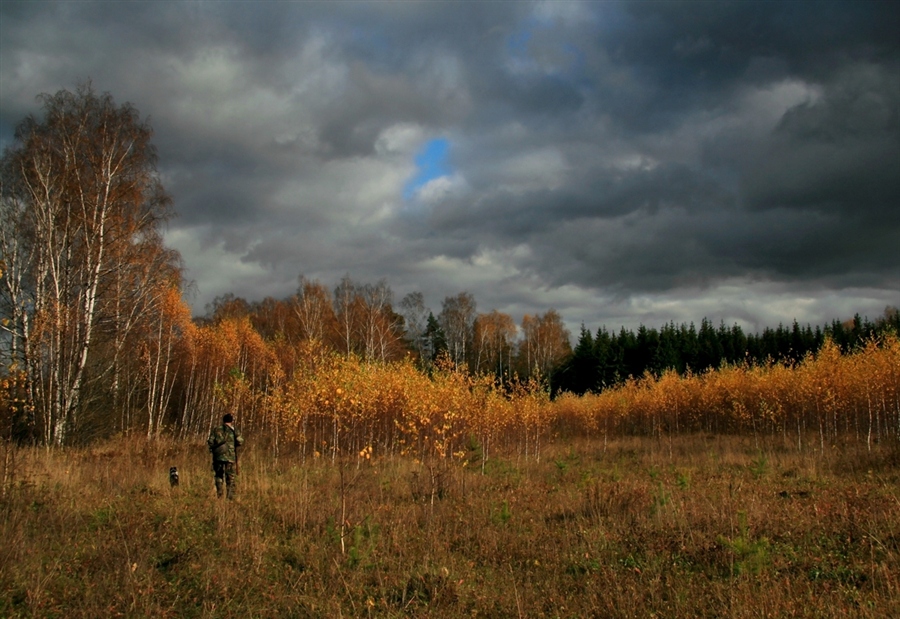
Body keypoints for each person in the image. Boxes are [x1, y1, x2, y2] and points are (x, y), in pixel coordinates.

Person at [207, 413, 244, 499]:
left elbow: (210, 442)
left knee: (218, 475)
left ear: (223, 420)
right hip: (230, 457)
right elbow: (240, 441)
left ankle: (219, 494)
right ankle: (230, 496)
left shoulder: (216, 429)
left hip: (218, 456)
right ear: (231, 421)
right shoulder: (234, 430)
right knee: (230, 476)